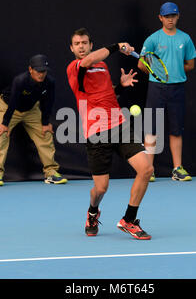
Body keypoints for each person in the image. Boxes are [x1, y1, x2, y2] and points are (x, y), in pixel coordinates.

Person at [66, 28, 154, 240]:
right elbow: (87, 62)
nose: (81, 46)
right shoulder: (74, 67)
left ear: (90, 44)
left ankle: (129, 220)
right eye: (77, 43)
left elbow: (105, 94)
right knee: (101, 188)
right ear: (72, 48)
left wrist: (121, 87)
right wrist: (117, 46)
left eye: (84, 43)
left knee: (146, 169)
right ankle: (93, 212)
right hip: (96, 134)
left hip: (120, 125)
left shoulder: (103, 66)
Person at [138, 2, 196, 182]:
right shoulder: (152, 39)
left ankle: (177, 169)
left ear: (178, 16)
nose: (170, 19)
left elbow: (190, 64)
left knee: (176, 130)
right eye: (166, 16)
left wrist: (173, 73)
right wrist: (158, 74)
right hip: (156, 89)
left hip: (177, 88)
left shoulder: (185, 39)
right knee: (151, 130)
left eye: (173, 16)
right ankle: (149, 169)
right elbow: (141, 64)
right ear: (160, 18)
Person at [0, 54, 67, 186]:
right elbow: (13, 102)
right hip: (8, 107)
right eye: (38, 71)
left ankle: (51, 173)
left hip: (31, 110)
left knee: (45, 134)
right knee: (1, 134)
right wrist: (5, 124)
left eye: (44, 71)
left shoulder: (50, 82)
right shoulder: (20, 80)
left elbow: (48, 102)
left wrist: (45, 123)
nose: (41, 74)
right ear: (30, 69)